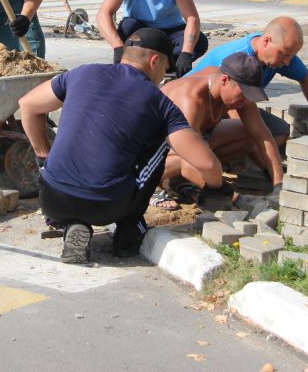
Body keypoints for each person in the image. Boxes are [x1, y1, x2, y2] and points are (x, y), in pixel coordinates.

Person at [18, 28, 224, 264]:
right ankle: (129, 231)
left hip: (51, 199)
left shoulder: (81, 73)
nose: (163, 77)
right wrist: (217, 189)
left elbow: (27, 106)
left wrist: (43, 156)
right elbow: (206, 163)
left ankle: (71, 225)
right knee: (162, 144)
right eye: (165, 69)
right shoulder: (159, 102)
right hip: (107, 206)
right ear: (154, 61)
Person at [188, 16, 308, 187]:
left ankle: (228, 163)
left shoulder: (282, 56)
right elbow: (232, 107)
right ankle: (215, 167)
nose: (287, 62)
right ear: (267, 41)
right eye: (284, 54)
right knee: (198, 153)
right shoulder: (236, 59)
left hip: (224, 110)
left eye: (291, 56)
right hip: (196, 116)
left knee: (277, 132)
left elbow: (306, 78)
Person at [151, 52, 270, 210]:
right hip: (147, 157)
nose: (246, 101)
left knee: (246, 133)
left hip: (184, 144)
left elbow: (261, 134)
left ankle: (180, 182)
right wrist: (232, 196)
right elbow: (188, 162)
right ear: (225, 80)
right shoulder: (191, 100)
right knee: (187, 159)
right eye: (243, 94)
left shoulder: (220, 80)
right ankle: (152, 186)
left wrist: (278, 182)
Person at [96, 0, 208, 76]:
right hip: (140, 29)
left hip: (170, 30)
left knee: (200, 42)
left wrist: (186, 53)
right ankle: (141, 65)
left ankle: (168, 65)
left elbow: (192, 18)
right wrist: (118, 48)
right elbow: (103, 15)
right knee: (127, 26)